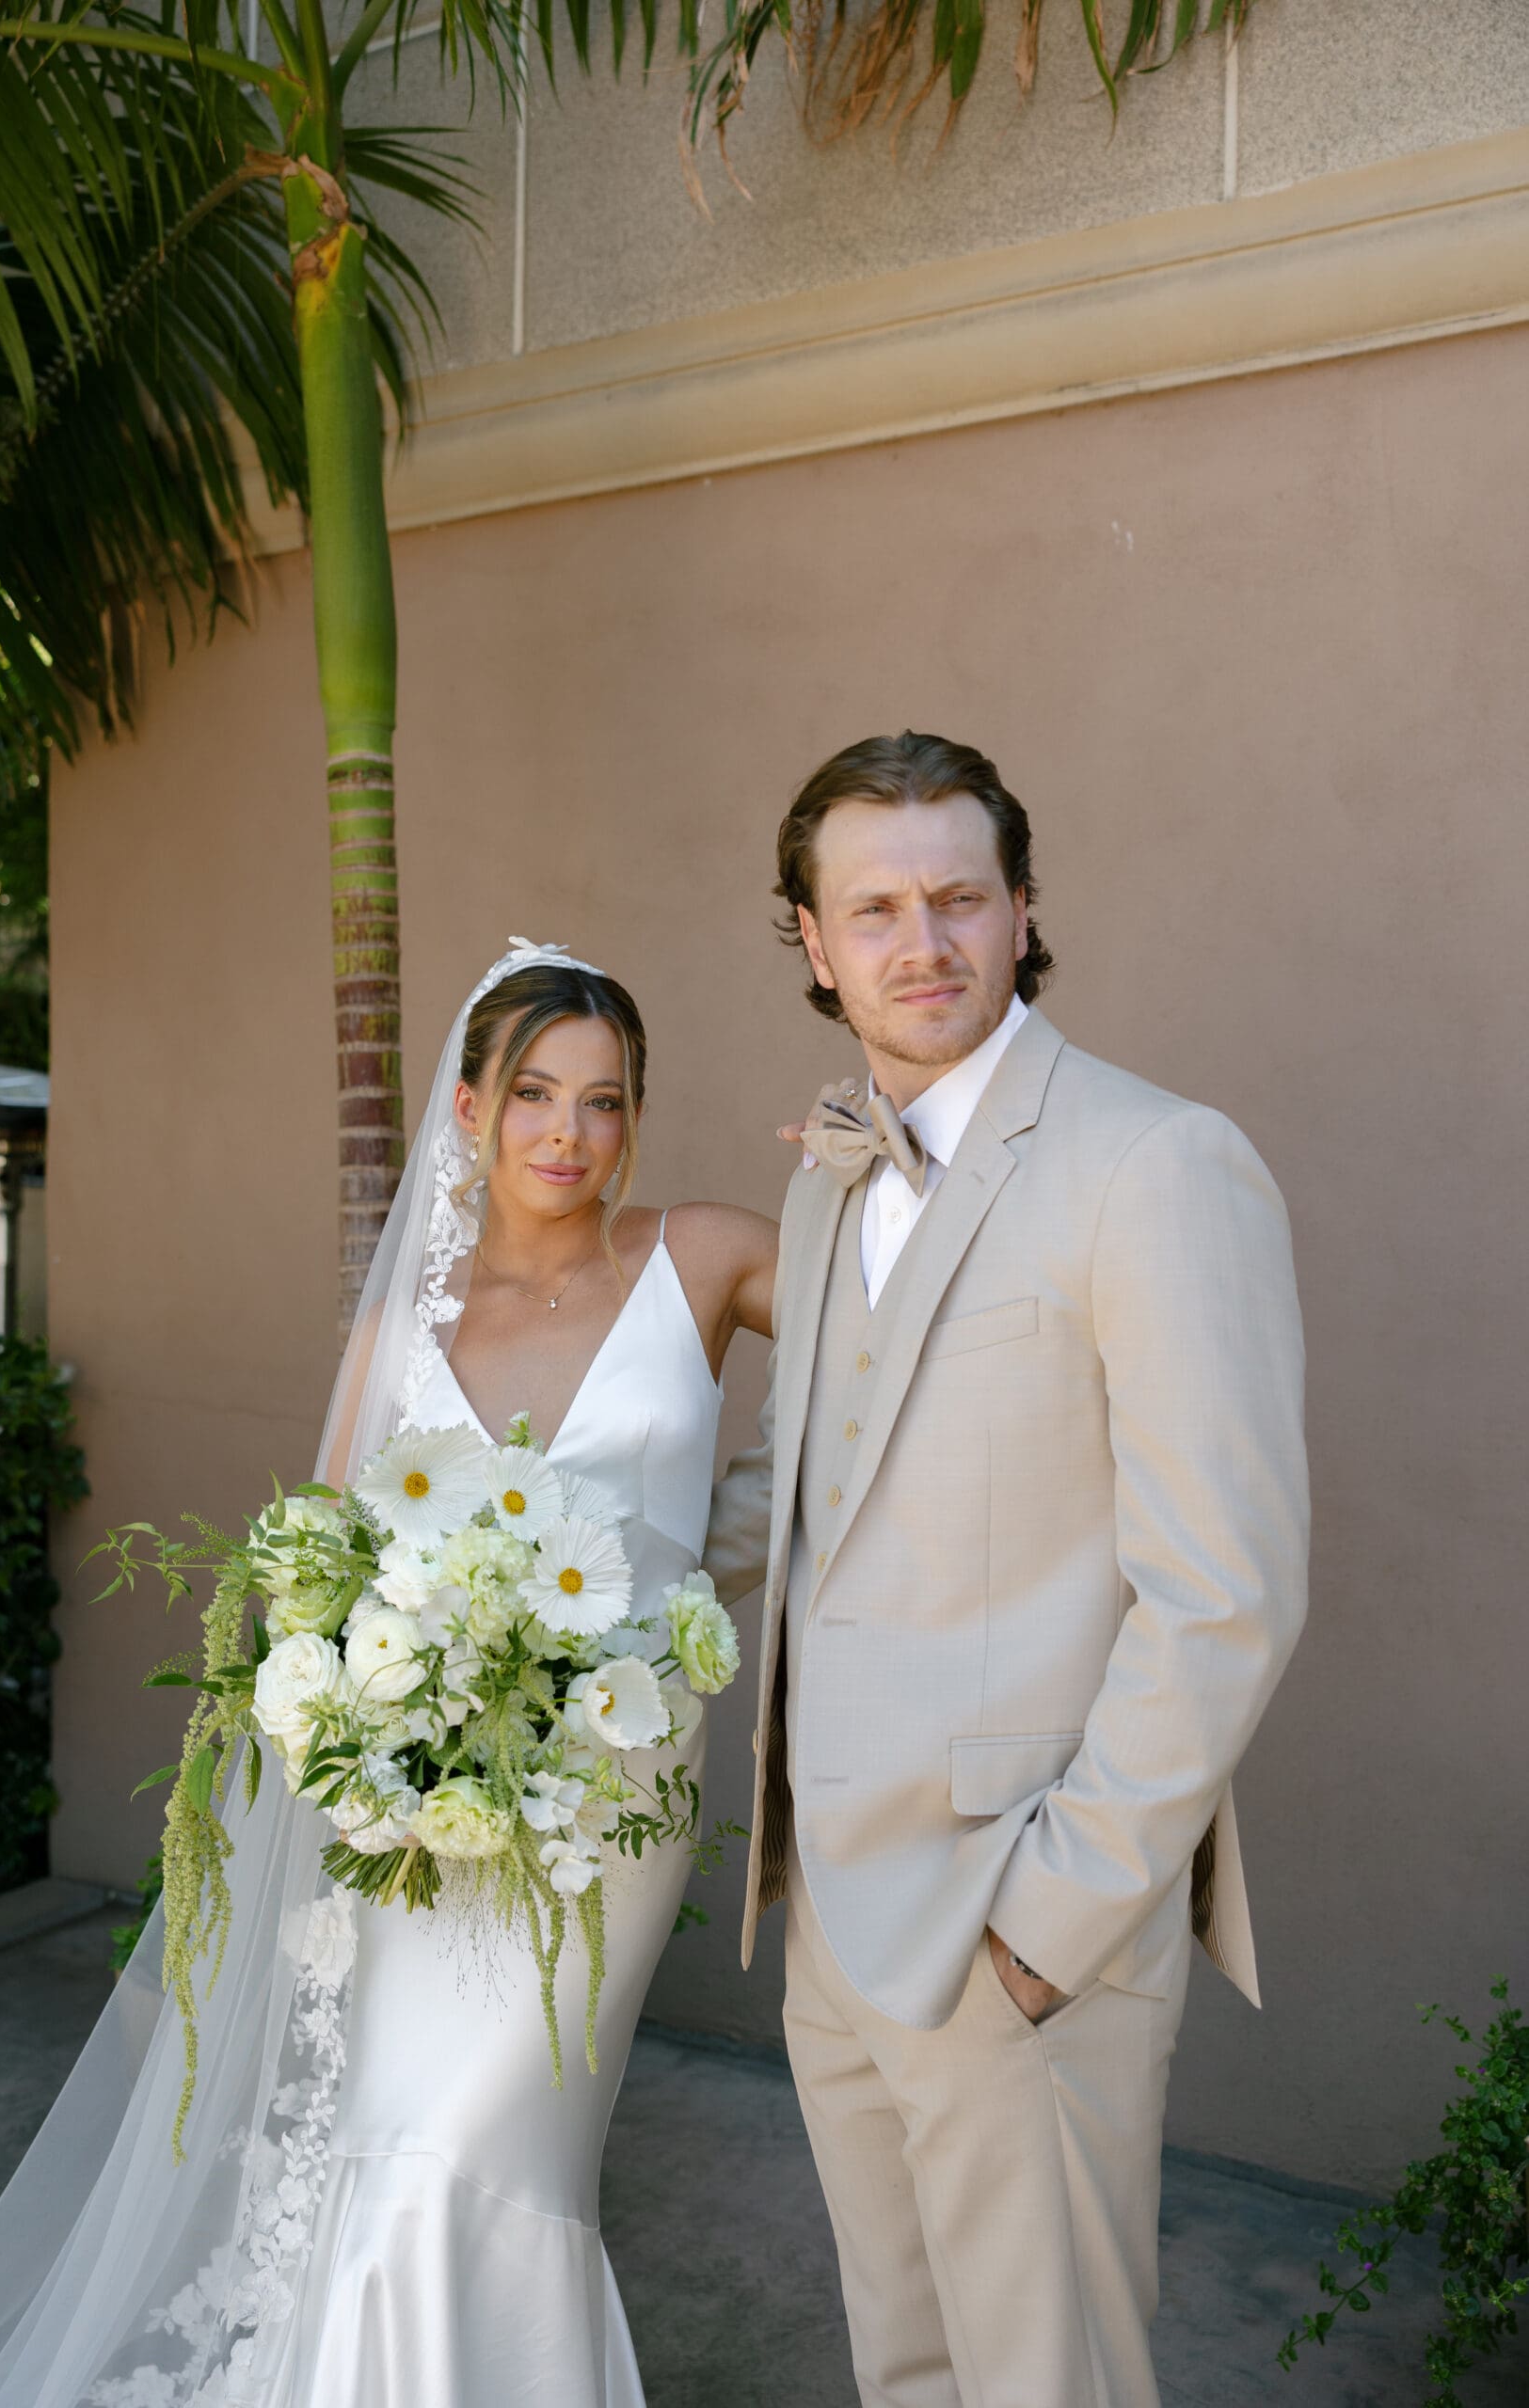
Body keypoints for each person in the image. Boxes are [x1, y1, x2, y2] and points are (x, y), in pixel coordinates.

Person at [0, 939, 776, 2408]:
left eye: (606, 1102)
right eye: (534, 1096)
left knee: (495, 2138)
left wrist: (720, 1552)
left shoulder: (701, 1254)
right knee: (400, 2134)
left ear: (638, 1118)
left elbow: (905, 1347)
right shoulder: (404, 1331)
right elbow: (318, 1581)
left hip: (611, 1794)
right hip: (417, 1810)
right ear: (469, 1108)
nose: (569, 1135)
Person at [705, 734, 1310, 2408]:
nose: (924, 942)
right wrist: (524, 1608)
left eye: (960, 897)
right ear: (813, 944)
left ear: (1023, 911)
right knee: (905, 2369)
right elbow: (789, 1497)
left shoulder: (1156, 1163)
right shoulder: (824, 1192)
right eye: (876, 907)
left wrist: (1052, 1926)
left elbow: (1229, 1591)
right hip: (828, 1909)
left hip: (1020, 1925)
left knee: (1053, 2387)